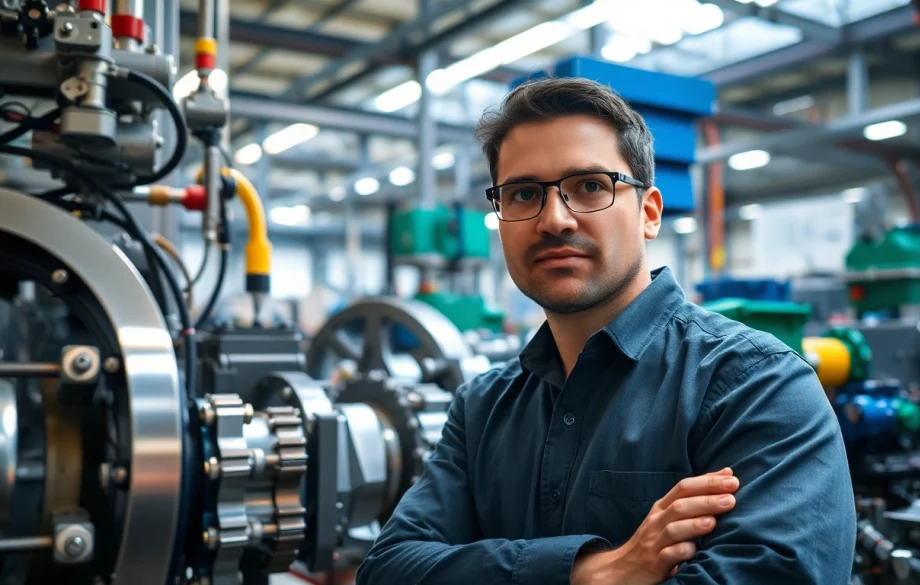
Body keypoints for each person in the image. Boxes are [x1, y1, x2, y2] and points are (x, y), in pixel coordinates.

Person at [355, 77, 856, 585]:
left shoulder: (753, 385)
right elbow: (388, 569)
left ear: (649, 213)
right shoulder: (483, 408)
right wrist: (590, 572)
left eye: (590, 186)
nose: (553, 219)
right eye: (524, 193)